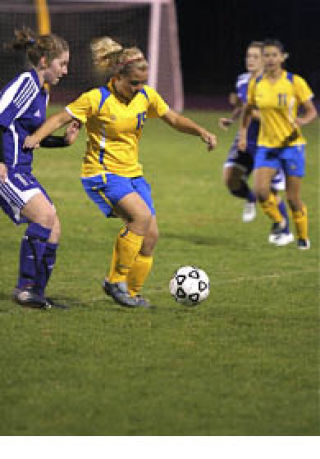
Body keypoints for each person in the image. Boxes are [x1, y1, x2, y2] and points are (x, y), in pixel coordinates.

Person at [23, 36, 217, 308]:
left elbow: (173, 118)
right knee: (140, 217)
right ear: (117, 76)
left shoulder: (145, 96)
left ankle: (133, 293)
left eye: (142, 83)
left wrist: (201, 132)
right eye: (134, 83)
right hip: (101, 174)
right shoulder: (96, 98)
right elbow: (58, 118)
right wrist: (35, 137)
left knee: (150, 235)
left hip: (132, 174)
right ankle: (115, 281)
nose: (139, 88)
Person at [0, 27, 79, 309]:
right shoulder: (25, 84)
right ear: (45, 61)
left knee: (54, 227)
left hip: (22, 170)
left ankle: (38, 294)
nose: (66, 71)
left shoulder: (41, 93)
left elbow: (32, 139)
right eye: (62, 64)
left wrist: (63, 142)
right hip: (6, 170)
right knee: (44, 216)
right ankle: (24, 289)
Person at [239, 39, 317, 249]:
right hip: (267, 146)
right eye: (267, 55)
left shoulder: (294, 82)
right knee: (261, 190)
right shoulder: (256, 84)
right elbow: (247, 109)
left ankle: (302, 238)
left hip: (292, 146)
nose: (271, 59)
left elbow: (311, 111)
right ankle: (281, 222)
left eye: (275, 55)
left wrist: (303, 120)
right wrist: (244, 134)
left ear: (283, 57)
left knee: (293, 199)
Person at [220, 42, 292, 245]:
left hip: (268, 142)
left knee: (268, 191)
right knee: (230, 180)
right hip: (245, 139)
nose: (250, 60)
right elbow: (244, 107)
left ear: (265, 60)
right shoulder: (243, 80)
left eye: (255, 57)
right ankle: (250, 198)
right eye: (248, 56)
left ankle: (283, 229)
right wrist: (232, 118)